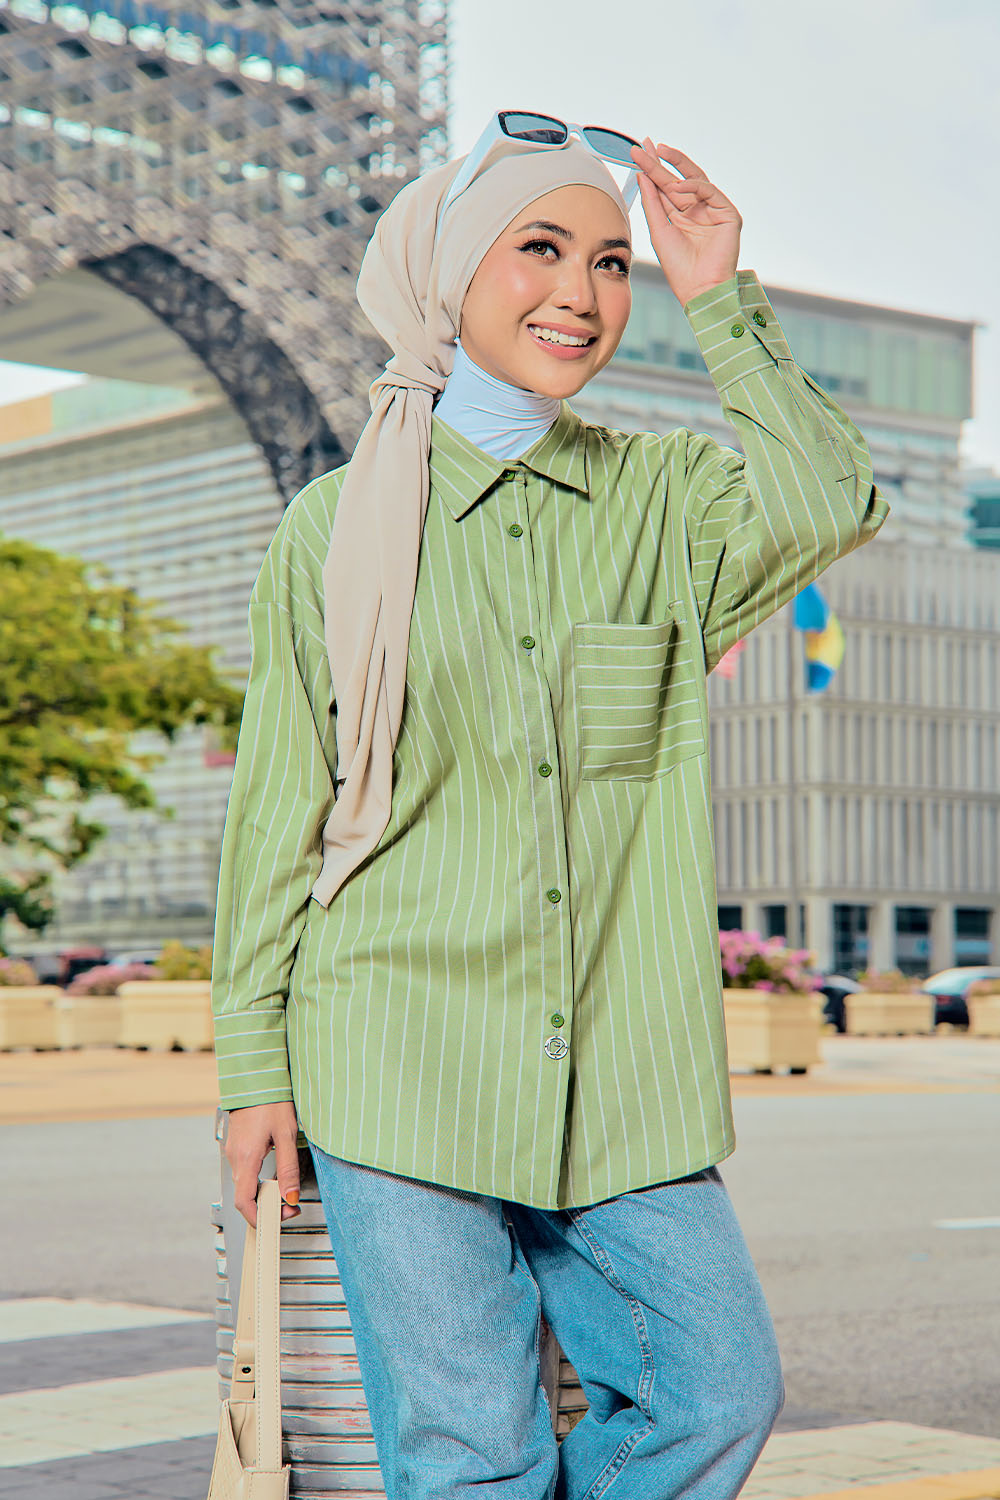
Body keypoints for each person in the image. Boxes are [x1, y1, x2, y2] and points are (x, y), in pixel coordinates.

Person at [211, 117, 890, 1500]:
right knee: (469, 1454)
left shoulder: (666, 498)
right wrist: (252, 1068)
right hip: (393, 1053)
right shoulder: (334, 529)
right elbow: (280, 810)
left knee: (716, 1389)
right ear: (452, 270)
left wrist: (722, 296)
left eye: (612, 262)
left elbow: (834, 497)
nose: (580, 292)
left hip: (620, 1064)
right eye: (539, 248)